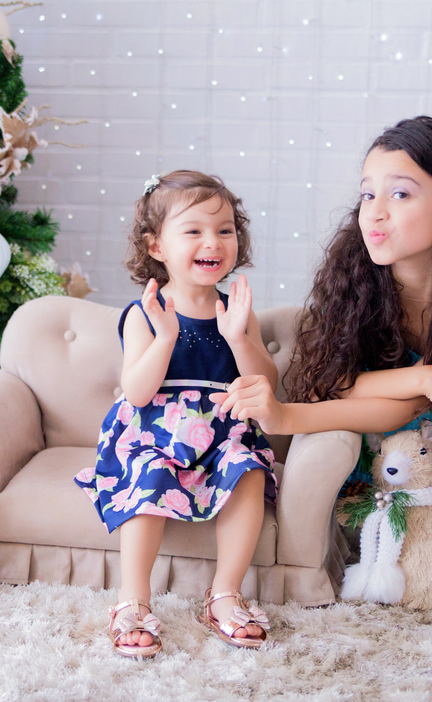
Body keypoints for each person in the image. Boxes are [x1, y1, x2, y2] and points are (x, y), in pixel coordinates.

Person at [212, 116, 432, 515]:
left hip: (422, 430)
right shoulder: (353, 282)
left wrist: (429, 383)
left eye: (399, 194)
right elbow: (332, 385)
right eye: (367, 195)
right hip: (352, 429)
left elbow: (418, 403)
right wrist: (428, 377)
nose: (374, 213)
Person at [74, 170, 281, 657]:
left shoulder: (236, 309)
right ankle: (133, 602)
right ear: (157, 246)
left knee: (248, 470)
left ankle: (225, 595)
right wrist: (165, 337)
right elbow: (138, 393)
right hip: (152, 435)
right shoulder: (144, 312)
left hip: (220, 436)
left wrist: (237, 337)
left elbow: (264, 380)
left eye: (225, 229)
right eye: (194, 230)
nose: (213, 240)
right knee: (148, 473)